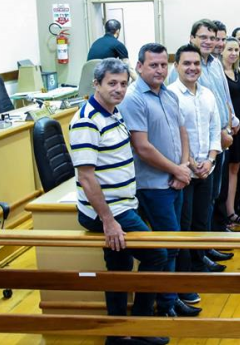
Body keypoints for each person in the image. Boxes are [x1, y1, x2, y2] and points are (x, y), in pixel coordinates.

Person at [70, 58, 169, 345]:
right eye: (111, 83)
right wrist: (109, 221)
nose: (119, 89)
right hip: (109, 211)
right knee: (157, 255)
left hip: (123, 204)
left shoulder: (114, 112)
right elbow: (86, 177)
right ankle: (140, 325)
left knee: (119, 267)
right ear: (96, 84)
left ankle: (117, 333)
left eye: (124, 83)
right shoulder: (87, 120)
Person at [120, 43, 200, 318]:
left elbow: (182, 132)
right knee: (167, 247)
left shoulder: (169, 94)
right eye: (153, 65)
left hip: (176, 179)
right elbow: (142, 147)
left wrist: (183, 167)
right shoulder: (133, 99)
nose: (160, 70)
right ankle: (166, 303)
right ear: (139, 66)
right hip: (154, 186)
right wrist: (176, 171)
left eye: (163, 64)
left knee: (175, 243)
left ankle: (171, 297)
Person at [169, 44, 224, 297]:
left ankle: (200, 264)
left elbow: (214, 129)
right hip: (184, 172)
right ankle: (186, 276)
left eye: (196, 63)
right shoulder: (170, 95)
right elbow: (174, 136)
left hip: (207, 169)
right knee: (185, 224)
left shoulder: (207, 94)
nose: (192, 68)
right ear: (176, 66)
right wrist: (192, 163)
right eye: (186, 63)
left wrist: (211, 160)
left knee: (202, 220)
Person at [221, 38, 240, 227]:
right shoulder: (218, 73)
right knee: (226, 169)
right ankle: (223, 213)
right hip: (227, 125)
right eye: (230, 49)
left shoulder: (238, 72)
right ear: (222, 51)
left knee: (235, 168)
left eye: (236, 50)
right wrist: (230, 121)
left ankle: (231, 210)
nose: (234, 53)